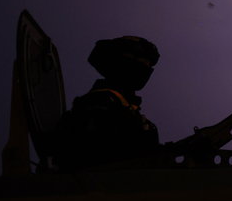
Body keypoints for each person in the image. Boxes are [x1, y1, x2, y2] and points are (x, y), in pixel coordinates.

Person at [56, 36, 163, 171]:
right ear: (123, 61)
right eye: (142, 61)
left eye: (148, 63)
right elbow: (93, 152)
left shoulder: (127, 106)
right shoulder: (100, 101)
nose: (146, 67)